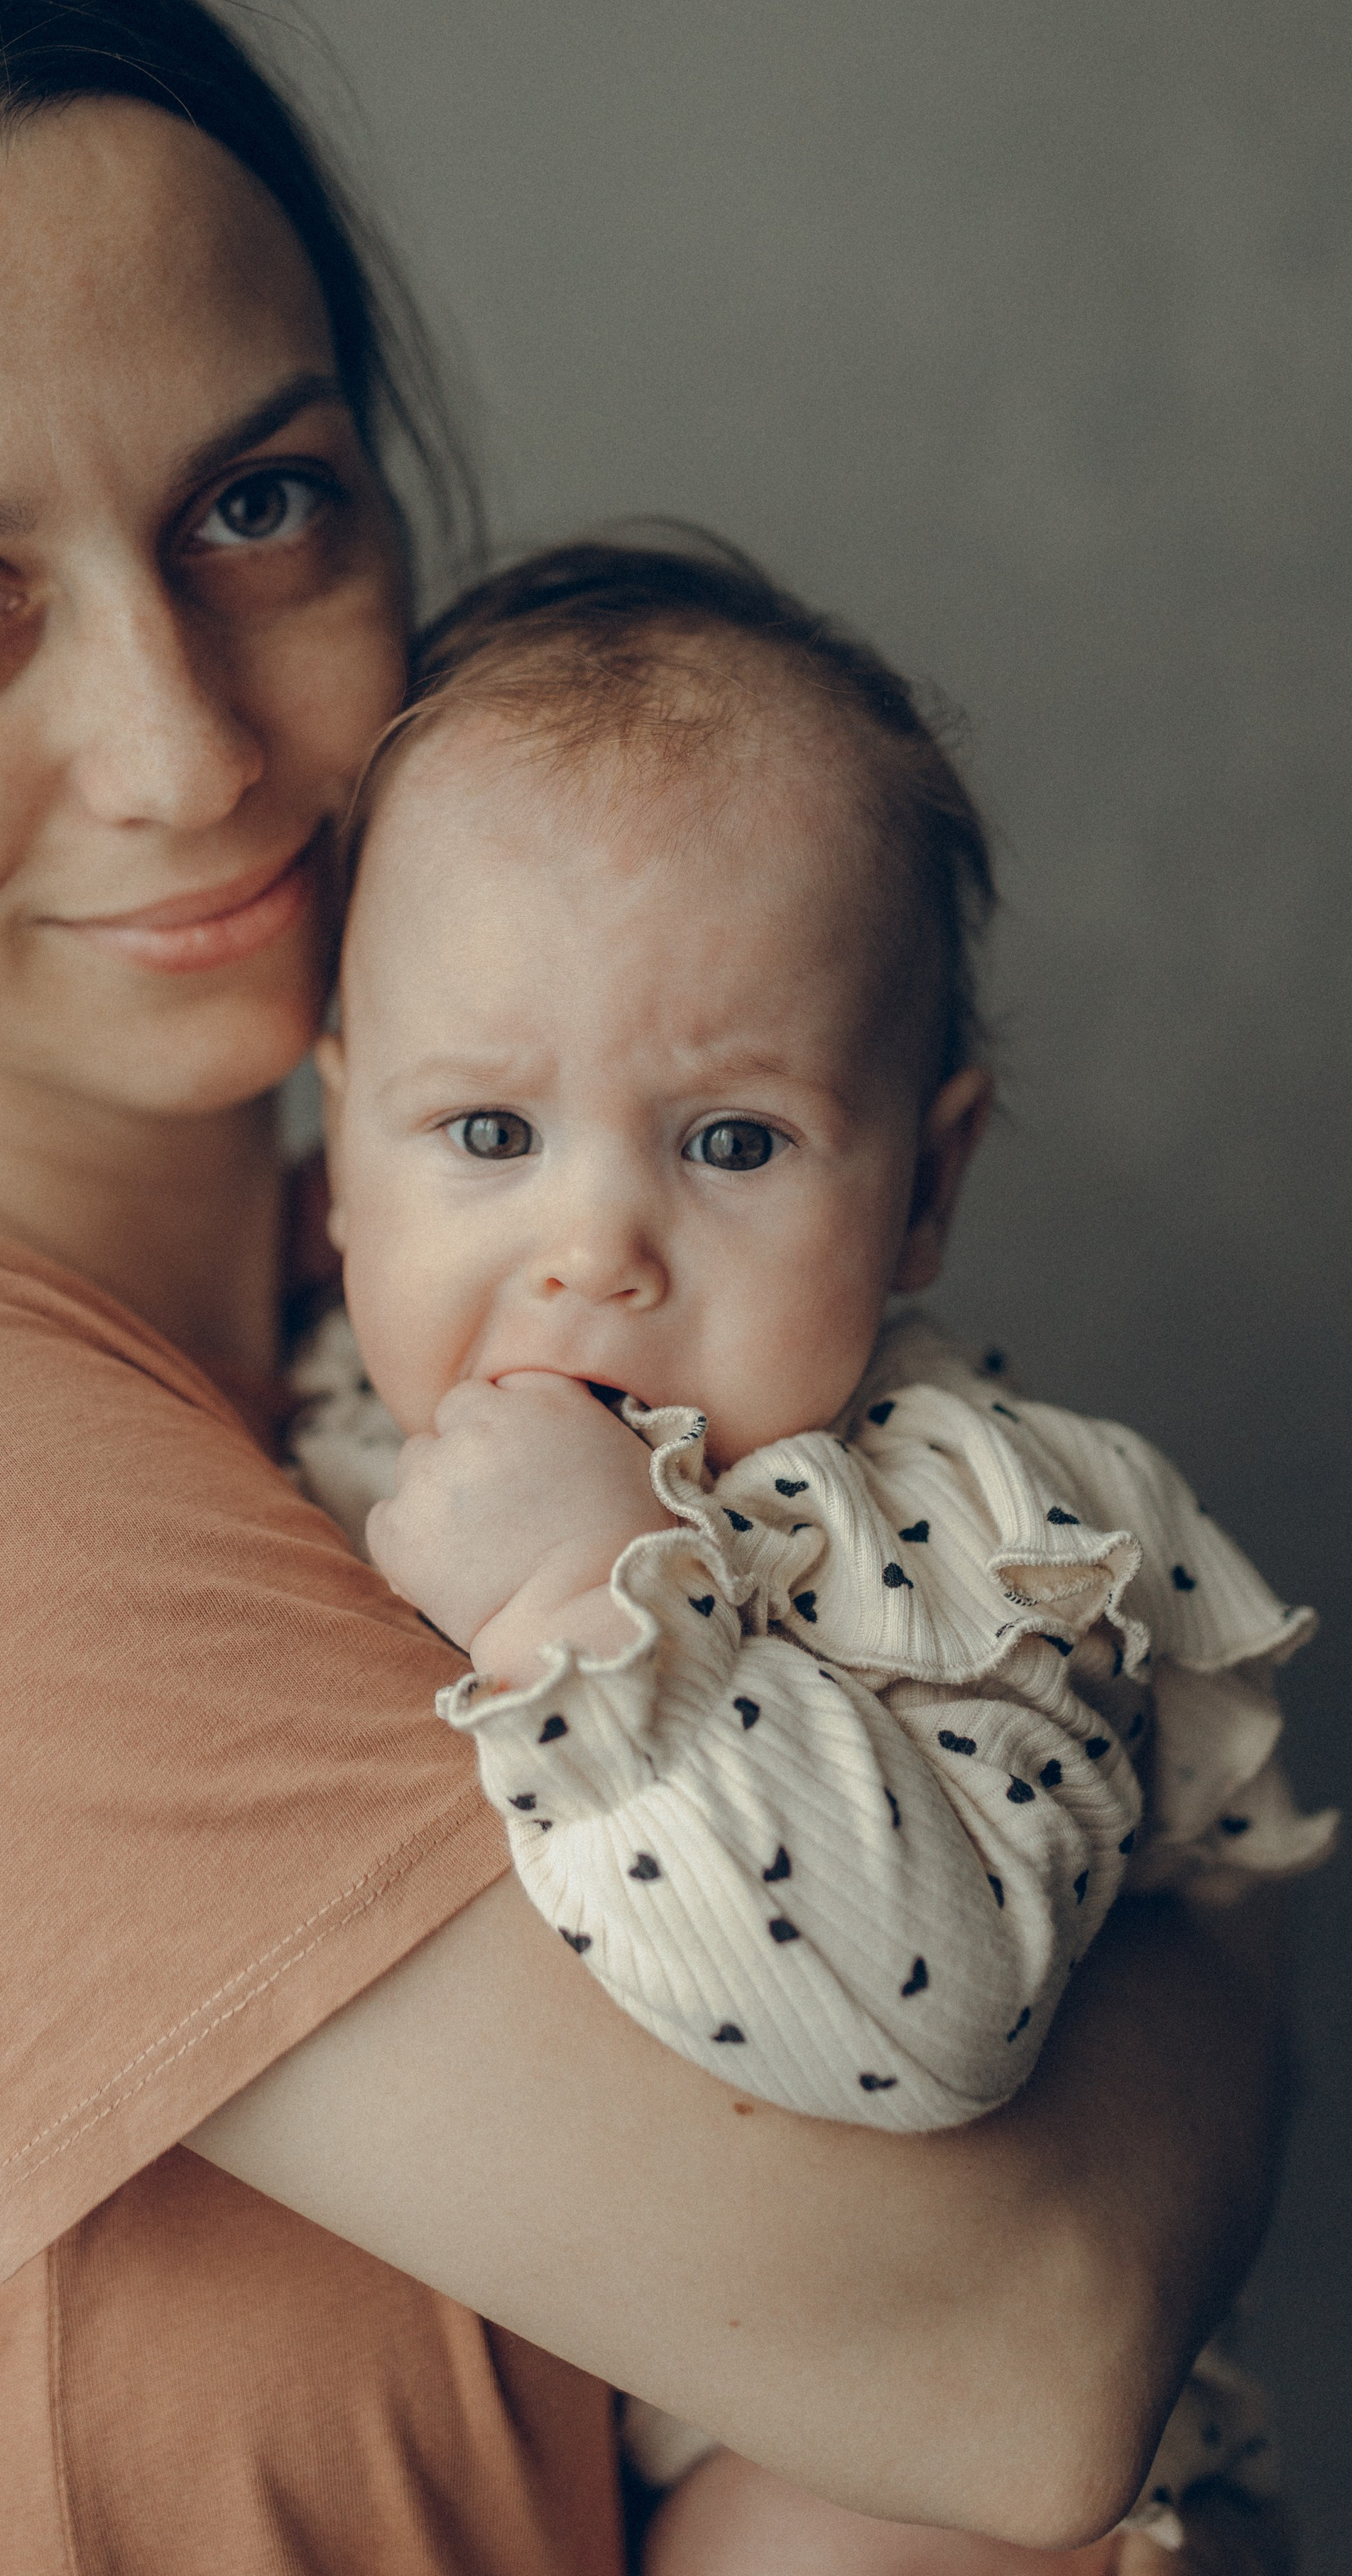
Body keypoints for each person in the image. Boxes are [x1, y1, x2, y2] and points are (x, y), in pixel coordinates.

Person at [0, 0, 1292, 2575]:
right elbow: (1021, 2360)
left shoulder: (483, 1350)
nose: (179, 742)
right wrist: (1203, 1980)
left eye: (258, 502)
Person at [295, 536, 1334, 2568]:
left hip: (943, 2489)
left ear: (927, 1185)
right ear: (340, 1147)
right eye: (486, 1135)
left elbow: (931, 2021)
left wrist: (613, 1621)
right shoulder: (307, 1430)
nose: (594, 1247)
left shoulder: (956, 1543)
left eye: (734, 1141)